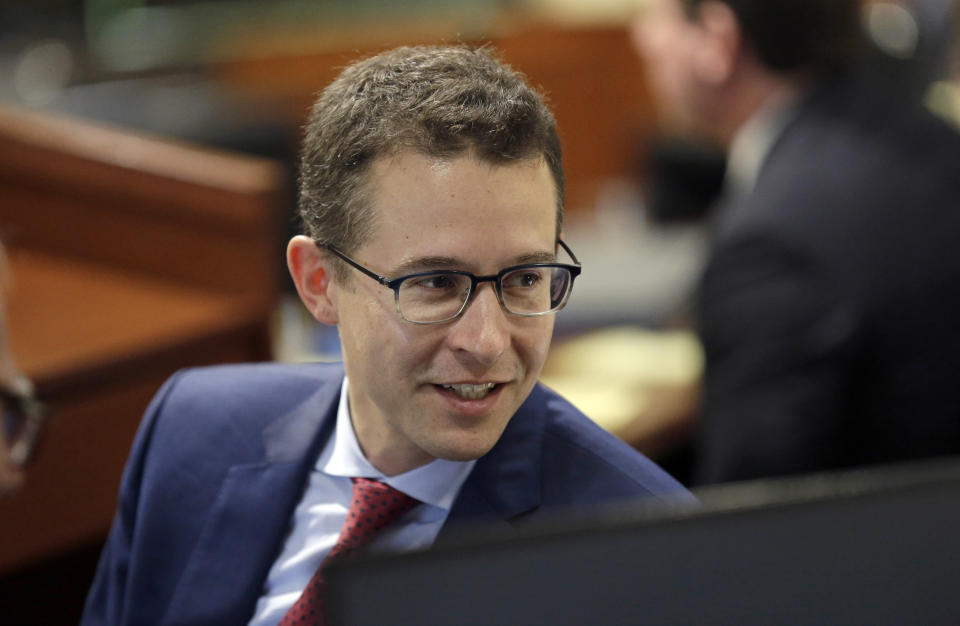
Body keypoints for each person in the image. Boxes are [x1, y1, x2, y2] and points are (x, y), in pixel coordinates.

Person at [80, 45, 689, 625]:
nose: (487, 341)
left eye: (526, 278)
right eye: (436, 283)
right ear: (319, 282)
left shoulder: (645, 550)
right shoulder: (190, 429)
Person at [633, 0, 960, 484]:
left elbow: (751, 520)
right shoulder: (935, 143)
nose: (644, 37)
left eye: (657, 16)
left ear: (717, 41)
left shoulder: (772, 243)